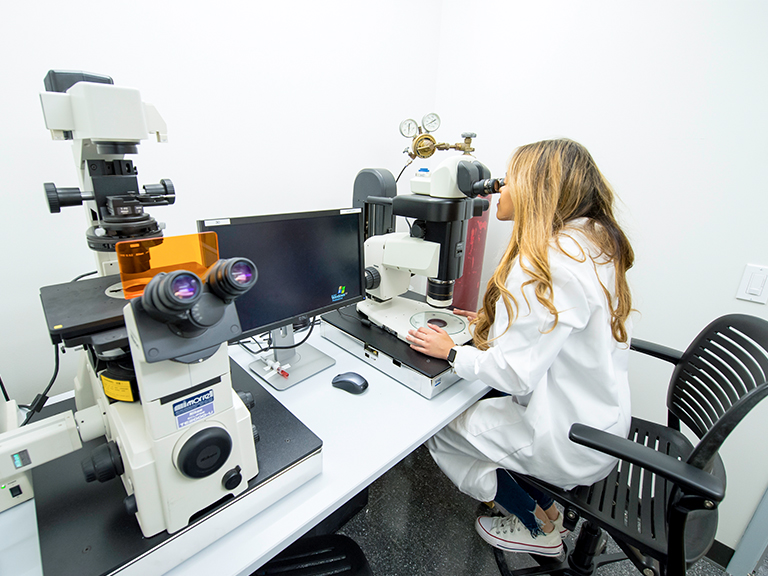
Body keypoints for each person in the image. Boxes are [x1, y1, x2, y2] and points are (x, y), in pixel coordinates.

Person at [405, 138, 634, 557]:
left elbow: (513, 373)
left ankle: (534, 524)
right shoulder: (594, 243)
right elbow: (556, 333)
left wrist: (450, 351)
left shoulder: (543, 263)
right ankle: (548, 507)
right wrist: (505, 329)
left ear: (534, 190)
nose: (498, 188)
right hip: (603, 426)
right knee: (477, 428)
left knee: (434, 429)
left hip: (564, 436)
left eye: (508, 180)